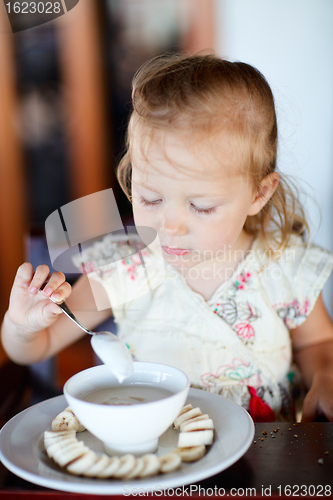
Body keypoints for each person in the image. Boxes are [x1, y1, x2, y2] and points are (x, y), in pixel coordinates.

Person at [2, 53, 333, 422]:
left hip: (264, 460)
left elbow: (318, 342)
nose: (169, 226)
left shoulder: (282, 265)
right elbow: (38, 346)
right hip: (152, 458)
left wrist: (325, 376)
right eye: (151, 198)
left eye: (202, 206)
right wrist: (22, 327)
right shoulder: (126, 264)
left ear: (258, 194)